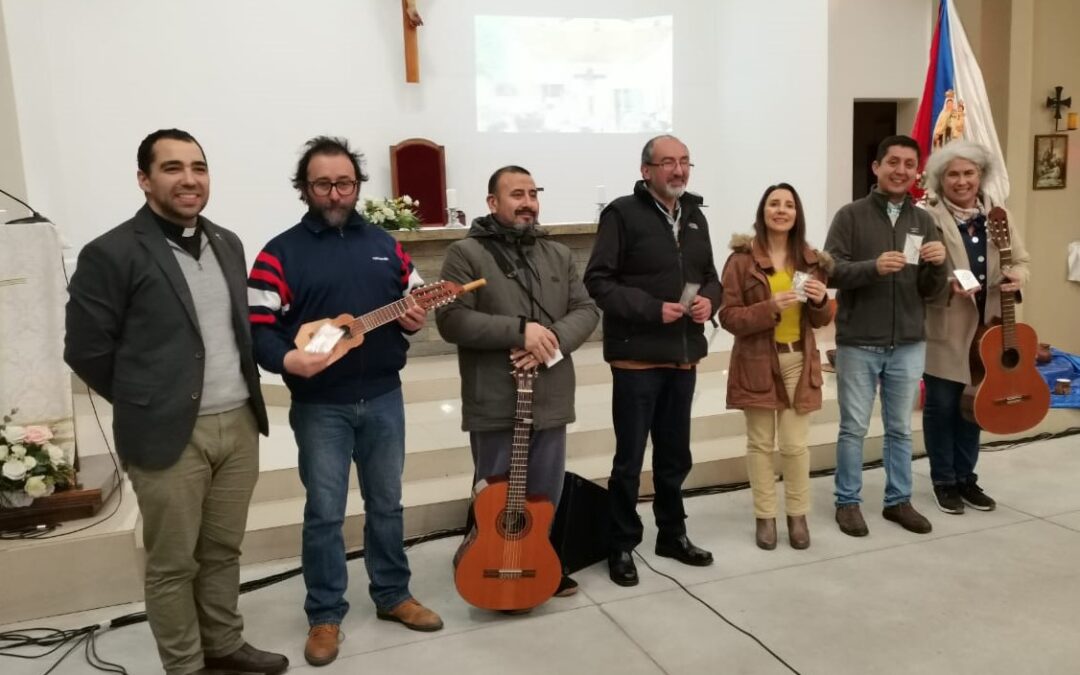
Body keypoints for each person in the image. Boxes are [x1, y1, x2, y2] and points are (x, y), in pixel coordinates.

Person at [64, 129, 286, 675]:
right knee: (171, 563)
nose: (189, 179)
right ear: (144, 179)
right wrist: (146, 400)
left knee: (222, 550)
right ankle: (185, 665)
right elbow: (86, 350)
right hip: (167, 434)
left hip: (236, 423)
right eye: (172, 168)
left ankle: (224, 644)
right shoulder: (110, 253)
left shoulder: (228, 242)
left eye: (199, 167)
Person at [247, 136, 441, 668]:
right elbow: (258, 329)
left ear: (358, 187)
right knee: (325, 514)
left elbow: (415, 299)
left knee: (387, 505)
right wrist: (289, 360)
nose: (335, 194)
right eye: (323, 184)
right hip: (320, 407)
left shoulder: (386, 243)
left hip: (383, 396)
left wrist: (416, 315)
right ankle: (325, 615)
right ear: (304, 189)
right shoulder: (278, 253)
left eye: (345, 183)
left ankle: (393, 595)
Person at [435, 165, 599, 600]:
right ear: (493, 203)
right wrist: (520, 331)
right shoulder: (464, 254)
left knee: (545, 491)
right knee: (495, 493)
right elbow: (450, 319)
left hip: (550, 395)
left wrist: (552, 340)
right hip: (495, 397)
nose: (527, 202)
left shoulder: (558, 254)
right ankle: (486, 556)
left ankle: (539, 558)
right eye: (516, 194)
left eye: (532, 193)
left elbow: (586, 310)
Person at [584, 135, 722, 587]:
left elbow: (712, 280)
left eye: (685, 162)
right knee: (629, 460)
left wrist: (708, 302)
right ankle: (621, 543)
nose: (678, 170)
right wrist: (649, 308)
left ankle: (672, 534)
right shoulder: (622, 214)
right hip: (637, 360)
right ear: (647, 170)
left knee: (674, 455)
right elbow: (598, 281)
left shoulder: (696, 216)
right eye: (668, 163)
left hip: (682, 357)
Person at [824, 134, 948, 537]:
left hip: (908, 343)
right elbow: (831, 271)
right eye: (892, 162)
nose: (900, 171)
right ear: (876, 167)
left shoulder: (923, 220)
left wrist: (937, 265)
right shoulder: (850, 216)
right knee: (853, 428)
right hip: (859, 341)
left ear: (917, 173)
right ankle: (848, 502)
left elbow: (931, 290)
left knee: (899, 428)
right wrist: (872, 268)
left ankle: (899, 501)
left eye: (909, 164)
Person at [719, 183, 833, 550]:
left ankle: (797, 516)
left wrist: (819, 303)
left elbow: (819, 320)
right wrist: (770, 308)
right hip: (756, 360)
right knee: (760, 444)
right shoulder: (740, 260)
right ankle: (765, 517)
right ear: (763, 211)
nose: (781, 210)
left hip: (800, 359)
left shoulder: (813, 261)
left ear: (797, 214)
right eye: (774, 204)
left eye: (788, 205)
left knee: (796, 446)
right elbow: (729, 317)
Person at [920, 140, 1030, 514]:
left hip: (993, 328)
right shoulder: (926, 216)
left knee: (975, 405)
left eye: (969, 173)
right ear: (940, 179)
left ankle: (966, 477)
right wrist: (944, 282)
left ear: (980, 175)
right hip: (946, 326)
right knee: (942, 405)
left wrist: (1017, 275)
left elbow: (1024, 260)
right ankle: (943, 480)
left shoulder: (999, 216)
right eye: (953, 174)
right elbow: (912, 269)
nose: (962, 181)